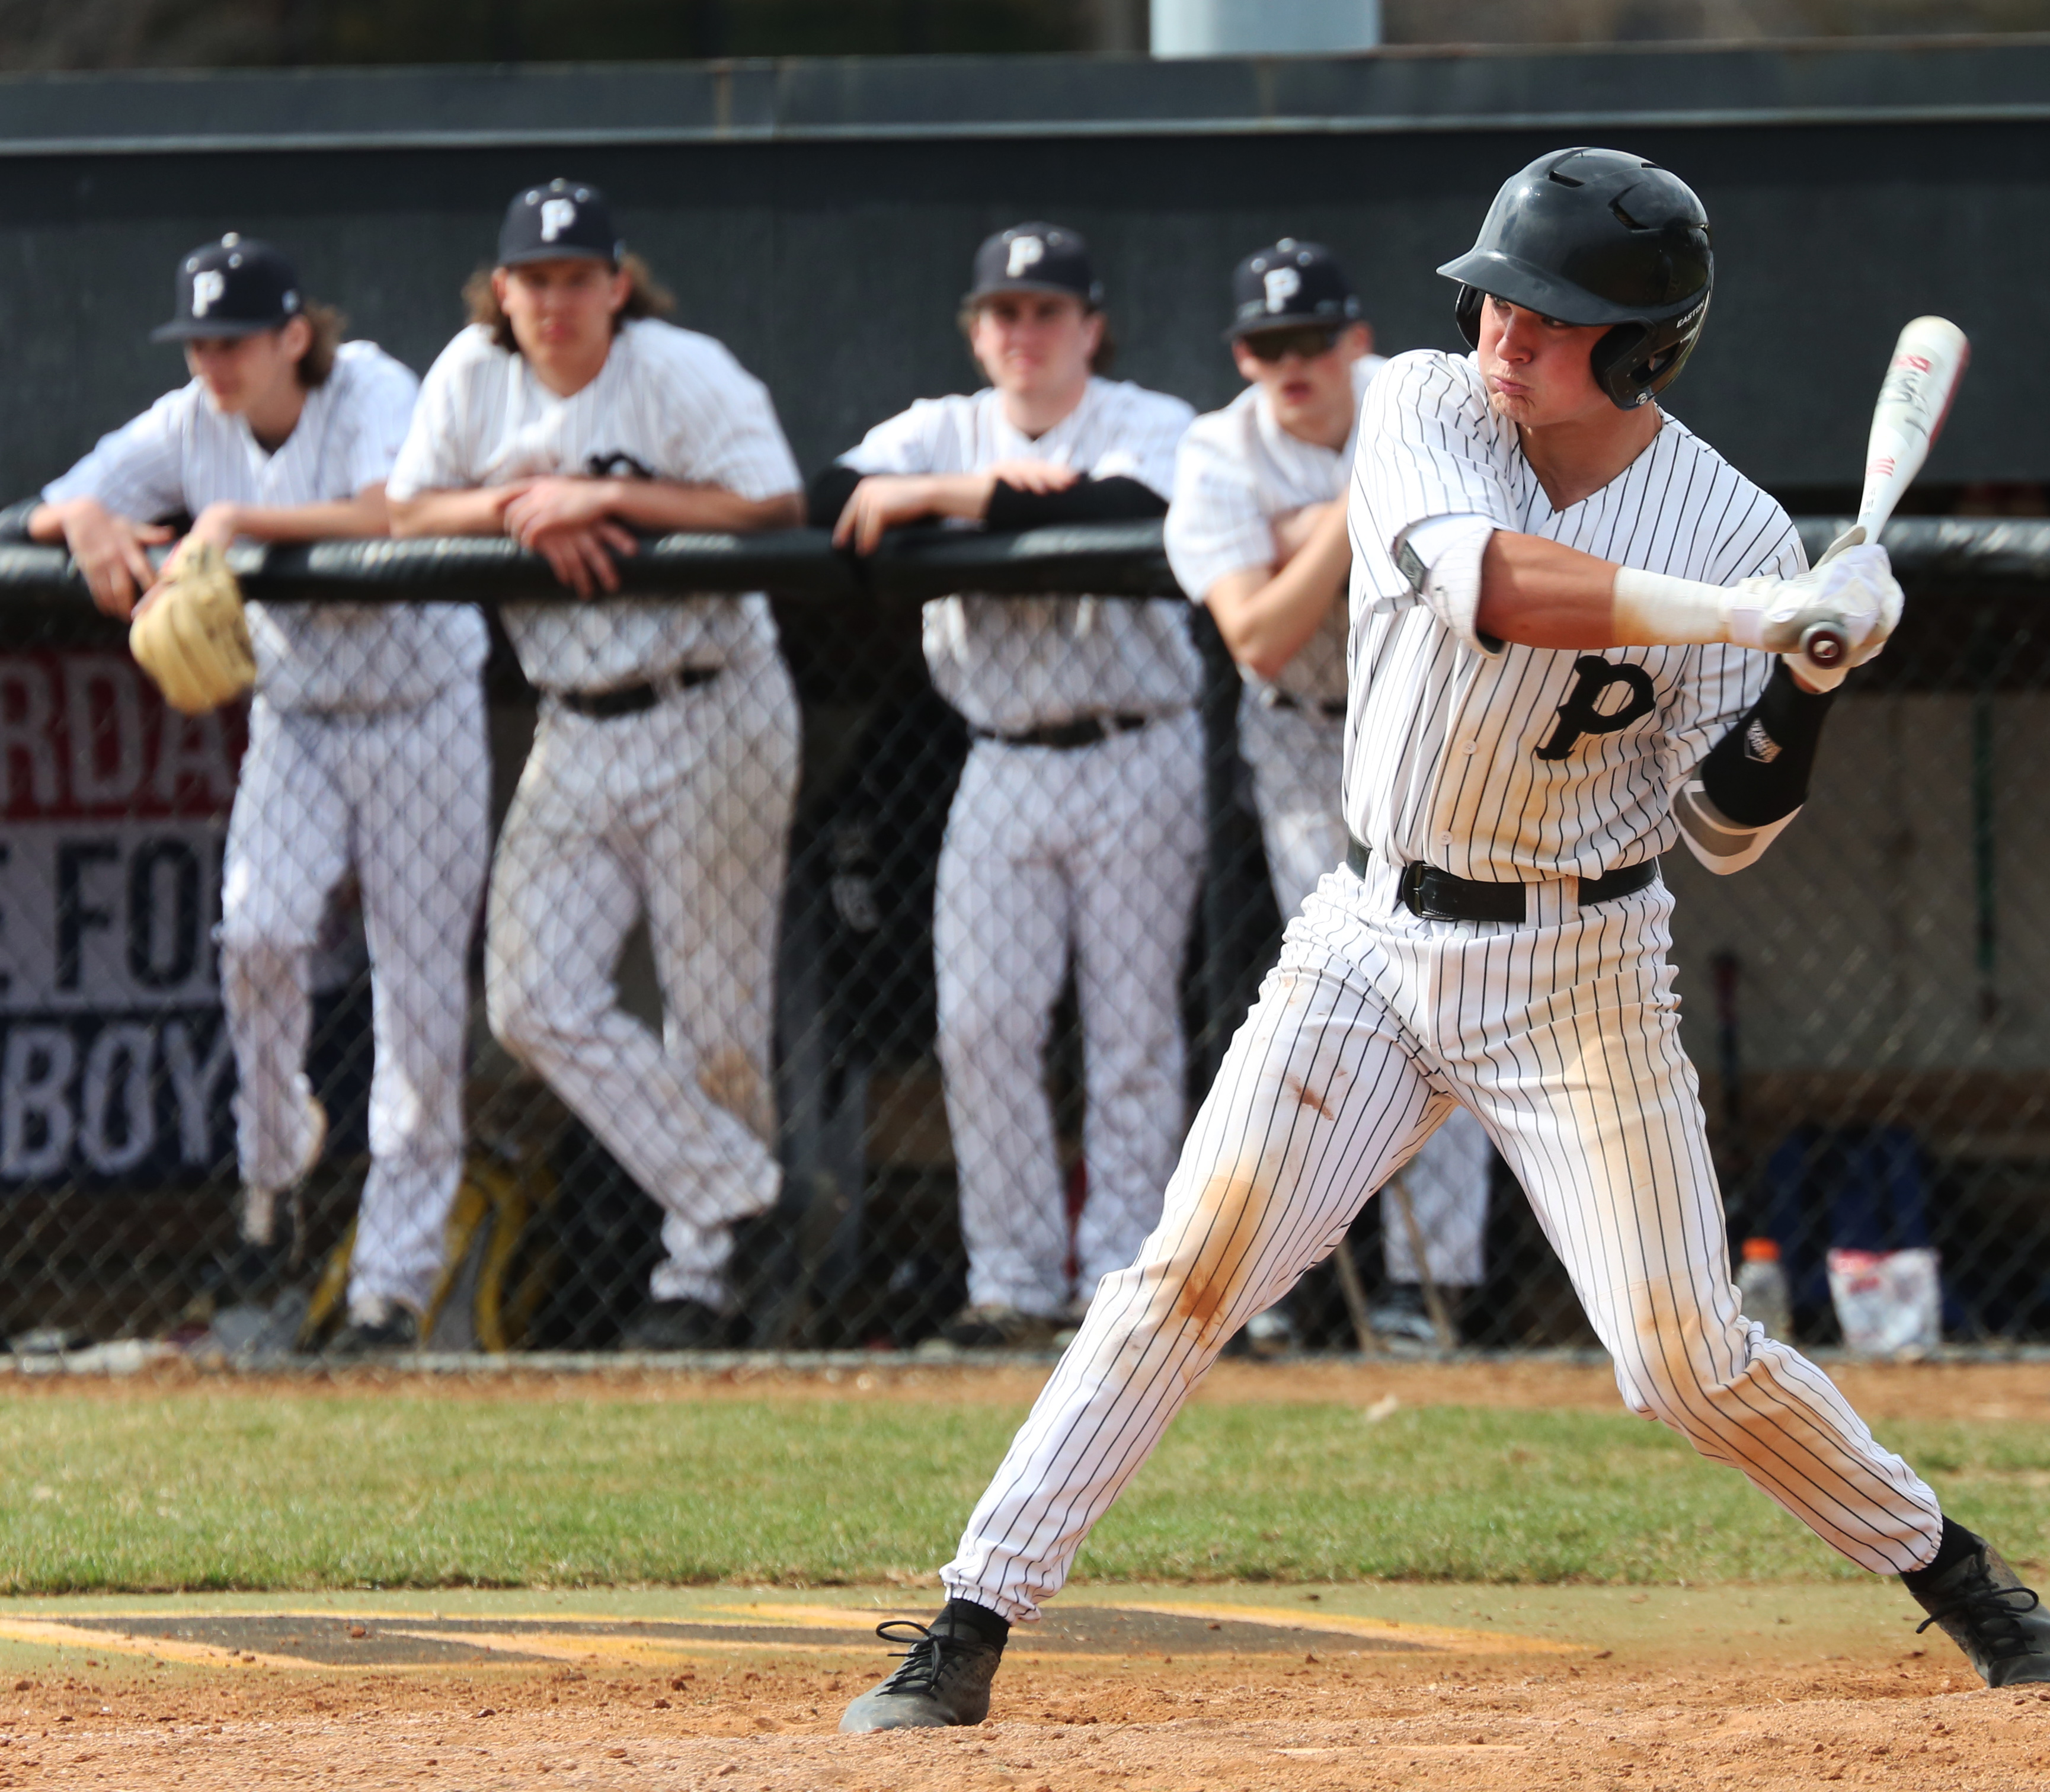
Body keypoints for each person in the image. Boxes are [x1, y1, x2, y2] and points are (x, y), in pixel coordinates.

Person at [839, 148, 2050, 1732]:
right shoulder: (1425, 399)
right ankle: (967, 1623)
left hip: (1580, 972)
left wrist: (1811, 677)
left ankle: (1961, 1578)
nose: (1505, 328)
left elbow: (1726, 828)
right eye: (1499, 294)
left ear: (1643, 348)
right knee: (1186, 1272)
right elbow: (1483, 586)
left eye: (1550, 315)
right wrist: (1755, 620)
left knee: (1683, 1363)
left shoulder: (1738, 528)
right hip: (1368, 936)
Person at [31, 235, 484, 1355]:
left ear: (292, 335)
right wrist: (80, 518)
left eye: (233, 340)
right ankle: (273, 1175)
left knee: (418, 1007)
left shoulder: (372, 382)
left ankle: (389, 1284)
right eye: (198, 342)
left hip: (419, 713)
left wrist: (233, 524)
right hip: (300, 721)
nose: (213, 363)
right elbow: (70, 496)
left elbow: (395, 509)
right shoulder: (190, 416)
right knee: (259, 941)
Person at [386, 179, 805, 1350]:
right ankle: (743, 1194)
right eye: (536, 280)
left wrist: (608, 492)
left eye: (579, 278)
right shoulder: (471, 378)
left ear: (617, 285)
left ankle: (704, 1280)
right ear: (502, 290)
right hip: (573, 718)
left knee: (714, 1019)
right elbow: (407, 512)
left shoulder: (678, 367)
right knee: (530, 1001)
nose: (556, 300)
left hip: (710, 699)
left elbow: (773, 498)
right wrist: (525, 506)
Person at [809, 223, 1197, 1351]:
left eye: (1048, 312)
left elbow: (1129, 513)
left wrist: (948, 504)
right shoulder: (943, 428)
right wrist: (975, 485)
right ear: (978, 333)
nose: (1025, 332)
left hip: (1139, 746)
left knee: (1128, 1034)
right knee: (981, 1026)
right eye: (1006, 314)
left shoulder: (1146, 420)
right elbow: (830, 496)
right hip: (1002, 752)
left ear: (1091, 326)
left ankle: (1117, 1282)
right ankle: (1014, 1280)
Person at [1165, 238, 1492, 1352]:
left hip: (1436, 729)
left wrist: (1311, 528)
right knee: (1333, 1013)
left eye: (1313, 341)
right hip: (1307, 739)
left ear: (1356, 340)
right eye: (1268, 345)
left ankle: (1431, 1281)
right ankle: (1288, 1280)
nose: (1293, 363)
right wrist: (1365, 504)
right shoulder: (1219, 446)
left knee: (1446, 1002)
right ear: (1243, 356)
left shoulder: (1419, 397)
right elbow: (1257, 635)